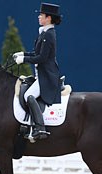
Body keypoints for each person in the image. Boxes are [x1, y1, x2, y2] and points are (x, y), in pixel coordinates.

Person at [13, 3, 62, 140]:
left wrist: (24, 60)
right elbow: (35, 53)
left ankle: (40, 128)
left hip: (46, 76)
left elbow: (41, 58)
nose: (39, 17)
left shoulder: (49, 35)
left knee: (29, 95)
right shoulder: (45, 33)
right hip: (40, 75)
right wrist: (22, 54)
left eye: (41, 15)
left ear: (49, 18)